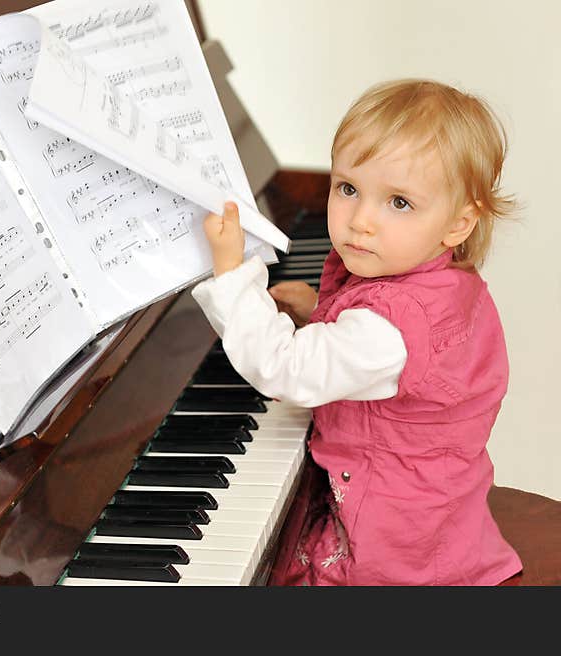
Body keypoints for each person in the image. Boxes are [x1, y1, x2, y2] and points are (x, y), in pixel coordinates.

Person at [191, 79, 522, 585]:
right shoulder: (439, 282)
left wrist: (232, 273)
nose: (361, 220)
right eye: (348, 188)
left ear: (458, 224)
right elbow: (371, 347)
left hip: (396, 549)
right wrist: (320, 312)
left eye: (399, 203)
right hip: (442, 511)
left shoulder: (389, 327)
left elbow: (288, 370)